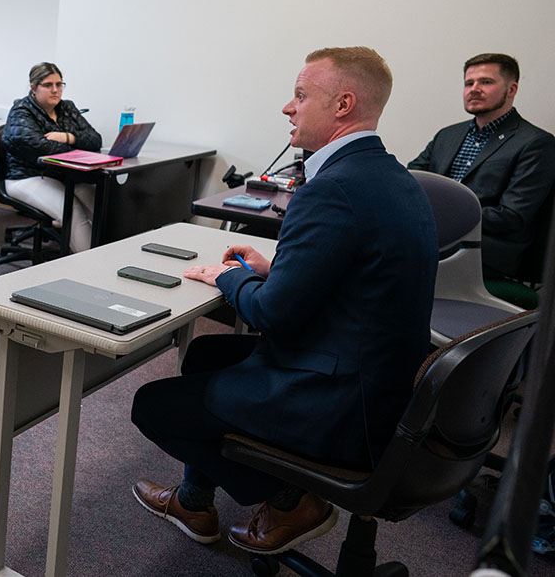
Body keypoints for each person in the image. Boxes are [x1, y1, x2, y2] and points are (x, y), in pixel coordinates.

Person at [129, 47, 437, 556]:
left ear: (342, 104)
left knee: (152, 404)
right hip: (382, 385)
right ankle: (193, 499)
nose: (287, 108)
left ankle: (292, 498)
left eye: (300, 95)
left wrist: (229, 278)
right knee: (205, 355)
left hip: (340, 402)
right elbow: (364, 275)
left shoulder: (333, 188)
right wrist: (279, 270)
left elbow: (271, 314)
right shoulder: (392, 177)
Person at [408, 53, 555, 281]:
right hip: (437, 236)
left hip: (487, 250)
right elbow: (410, 183)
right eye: (469, 83)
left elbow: (512, 216)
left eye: (486, 82)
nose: (474, 89)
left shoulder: (536, 143)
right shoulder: (447, 135)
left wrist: (444, 219)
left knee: (394, 249)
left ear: (512, 89)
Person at [0, 62, 102, 253]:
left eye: (59, 84)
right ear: (33, 87)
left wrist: (68, 137)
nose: (55, 90)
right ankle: (90, 264)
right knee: (72, 211)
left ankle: (109, 255)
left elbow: (95, 140)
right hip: (26, 177)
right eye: (48, 85)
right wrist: (77, 144)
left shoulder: (67, 108)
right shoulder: (21, 111)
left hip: (63, 176)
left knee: (99, 203)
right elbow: (39, 147)